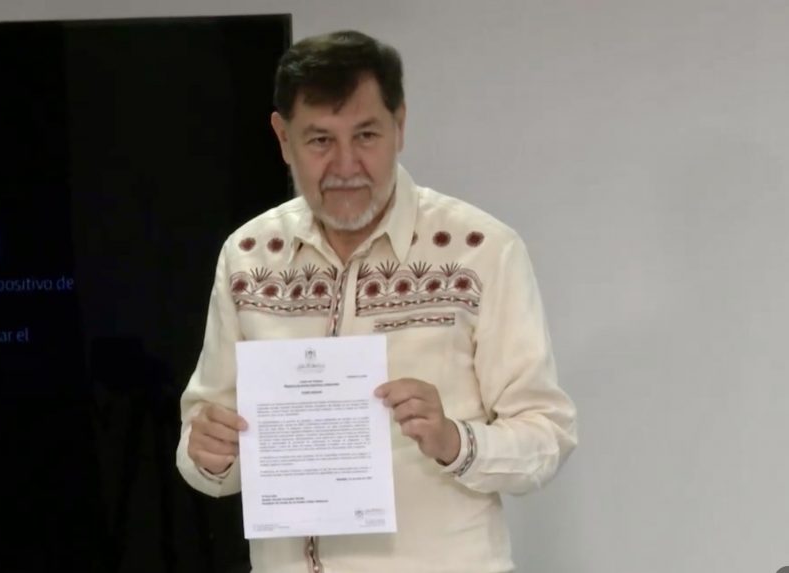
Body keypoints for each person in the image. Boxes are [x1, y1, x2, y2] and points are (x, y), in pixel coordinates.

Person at [176, 30, 577, 573]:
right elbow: (206, 440)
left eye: (365, 135)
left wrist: (453, 441)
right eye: (320, 140)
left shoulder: (480, 251)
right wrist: (206, 453)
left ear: (400, 126)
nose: (346, 165)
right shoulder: (248, 255)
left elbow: (547, 435)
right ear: (283, 139)